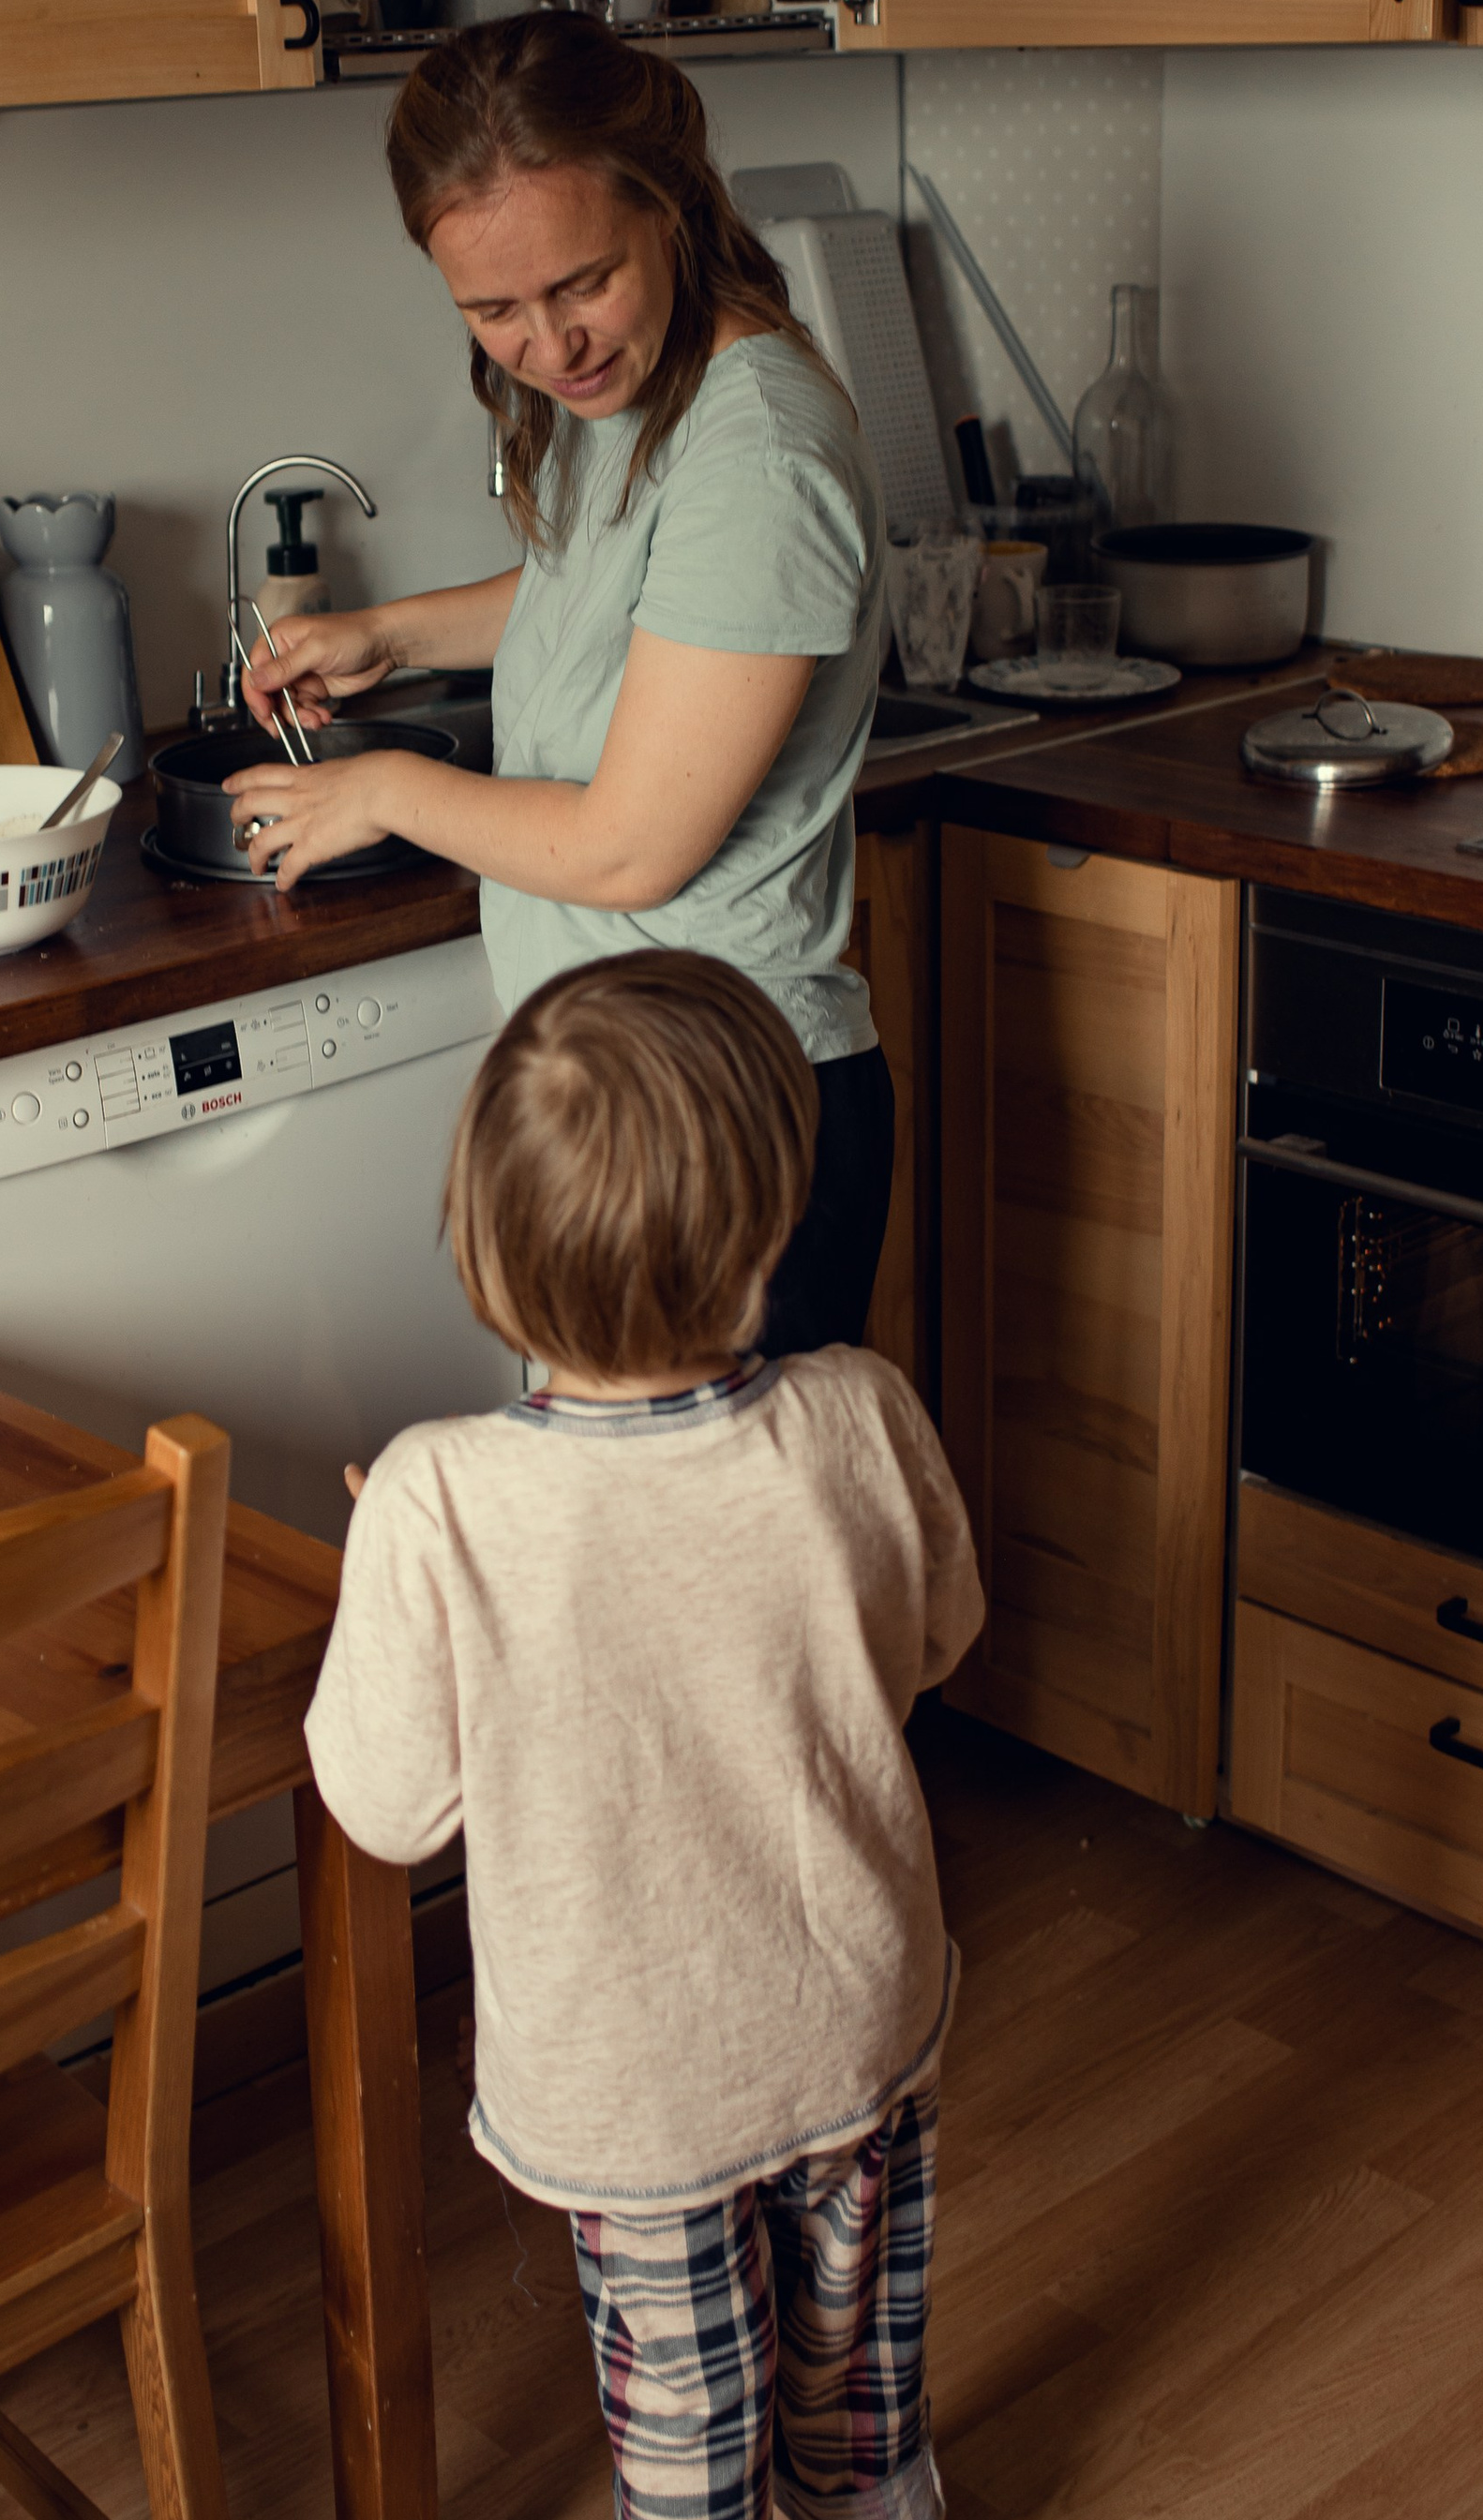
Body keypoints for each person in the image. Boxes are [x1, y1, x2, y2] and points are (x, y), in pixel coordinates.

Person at [306, 950, 983, 2520]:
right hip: (858, 2016)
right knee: (859, 2402)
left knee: (692, 2442)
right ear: (767, 1228)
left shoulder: (434, 1498)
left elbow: (385, 1802)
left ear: (482, 1237)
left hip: (635, 2082)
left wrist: (386, 1585)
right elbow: (936, 1639)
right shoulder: (862, 1409)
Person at [225, 12, 892, 1356]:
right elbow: (621, 601)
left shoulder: (758, 451)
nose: (550, 344)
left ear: (669, 209)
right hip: (633, 1093)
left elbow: (632, 845)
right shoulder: (642, 386)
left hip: (721, 1118)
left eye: (584, 283)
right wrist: (392, 635)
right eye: (493, 311)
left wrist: (384, 789)